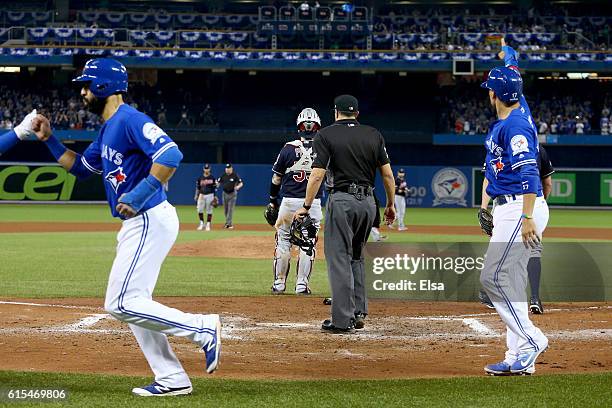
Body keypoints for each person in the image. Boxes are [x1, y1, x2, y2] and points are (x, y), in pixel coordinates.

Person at [31, 58, 221, 396]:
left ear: (103, 86)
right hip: (137, 222)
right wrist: (49, 139)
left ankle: (201, 328)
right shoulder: (107, 128)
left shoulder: (131, 120)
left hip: (149, 216)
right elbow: (79, 168)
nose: (83, 92)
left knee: (119, 303)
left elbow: (171, 155)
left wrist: (138, 193)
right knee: (135, 303)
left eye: (86, 86)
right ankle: (172, 377)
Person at [294, 94, 396, 333]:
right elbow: (388, 175)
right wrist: (390, 205)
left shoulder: (326, 134)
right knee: (357, 256)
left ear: (336, 112)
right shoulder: (373, 134)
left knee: (339, 257)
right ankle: (359, 311)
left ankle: (341, 320)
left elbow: (317, 174)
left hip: (342, 200)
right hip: (368, 202)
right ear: (357, 114)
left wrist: (306, 205)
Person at [478, 40, 549, 377]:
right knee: (512, 281)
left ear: (494, 95)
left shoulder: (515, 125)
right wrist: (507, 52)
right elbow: (513, 70)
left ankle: (532, 339)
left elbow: (530, 172)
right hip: (512, 206)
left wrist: (526, 216)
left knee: (492, 276)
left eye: (489, 90)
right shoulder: (518, 105)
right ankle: (518, 357)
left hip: (520, 207)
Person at [269, 108, 323, 295]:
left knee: (283, 242)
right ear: (317, 126)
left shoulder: (288, 148)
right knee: (308, 243)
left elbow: (276, 179)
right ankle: (301, 285)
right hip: (312, 203)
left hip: (289, 202)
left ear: (299, 126)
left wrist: (271, 201)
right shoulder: (324, 148)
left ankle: (279, 283)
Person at [217, 163, 243, 229]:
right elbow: (218, 182)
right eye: (226, 168)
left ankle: (229, 224)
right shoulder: (223, 175)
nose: (227, 169)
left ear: (231, 169)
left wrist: (238, 187)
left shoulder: (235, 175)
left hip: (232, 194)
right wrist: (216, 184)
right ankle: (227, 223)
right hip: (225, 194)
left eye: (229, 168)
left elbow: (241, 183)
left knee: (230, 210)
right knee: (225, 210)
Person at [194, 163, 217, 231]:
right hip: (201, 195)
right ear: (203, 169)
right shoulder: (200, 178)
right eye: (205, 168)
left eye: (207, 169)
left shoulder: (212, 178)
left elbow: (215, 188)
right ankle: (201, 223)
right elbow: (198, 187)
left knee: (209, 210)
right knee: (200, 209)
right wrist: (196, 195)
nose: (206, 170)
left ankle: (208, 224)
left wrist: (215, 196)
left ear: (209, 169)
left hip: (210, 195)